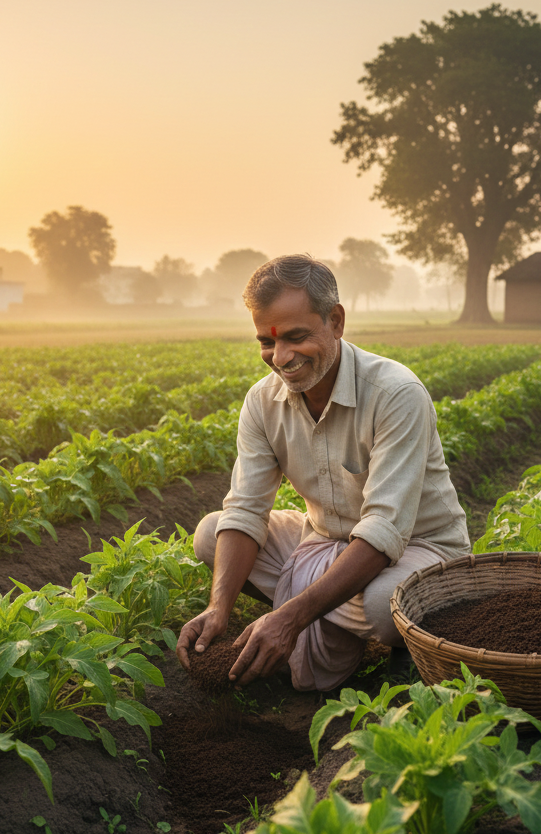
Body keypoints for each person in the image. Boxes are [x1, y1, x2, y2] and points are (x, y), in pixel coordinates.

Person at [176, 255, 470, 691]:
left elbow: (384, 530)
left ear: (336, 321)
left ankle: (405, 647)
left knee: (378, 606)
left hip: (419, 549)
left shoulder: (395, 394)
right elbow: (246, 508)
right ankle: (325, 618)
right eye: (266, 342)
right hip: (327, 539)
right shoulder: (262, 403)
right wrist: (219, 607)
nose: (280, 357)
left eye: (296, 337)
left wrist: (290, 616)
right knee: (212, 533)